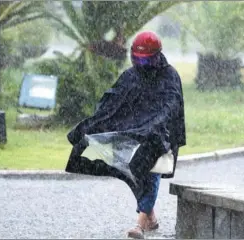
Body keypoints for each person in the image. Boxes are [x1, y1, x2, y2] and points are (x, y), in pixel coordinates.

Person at [65, 31, 186, 239]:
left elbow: (171, 106)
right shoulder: (130, 76)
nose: (142, 63)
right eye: (138, 59)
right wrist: (91, 126)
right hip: (133, 137)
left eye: (146, 59)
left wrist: (153, 127)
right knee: (134, 173)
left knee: (150, 171)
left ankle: (139, 225)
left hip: (160, 138)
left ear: (157, 56)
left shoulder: (169, 76)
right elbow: (111, 104)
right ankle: (150, 217)